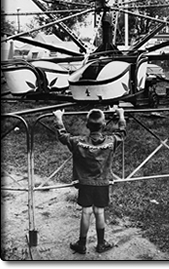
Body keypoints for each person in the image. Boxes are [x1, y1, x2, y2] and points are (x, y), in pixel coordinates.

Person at [53, 107, 126, 254]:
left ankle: (81, 243)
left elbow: (62, 135)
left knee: (86, 212)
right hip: (102, 183)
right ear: (104, 124)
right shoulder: (111, 141)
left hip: (85, 183)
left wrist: (59, 117)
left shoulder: (77, 142)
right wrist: (121, 114)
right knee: (99, 211)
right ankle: (101, 244)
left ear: (87, 125)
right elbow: (122, 132)